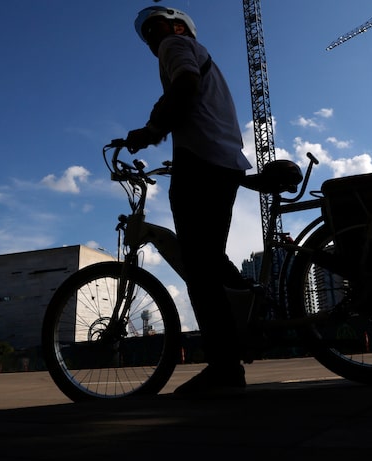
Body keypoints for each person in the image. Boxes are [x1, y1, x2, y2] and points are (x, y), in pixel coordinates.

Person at [125, 6, 253, 397]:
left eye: (155, 27)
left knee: (198, 266)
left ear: (179, 27)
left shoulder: (176, 45)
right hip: (221, 160)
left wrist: (150, 130)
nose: (151, 36)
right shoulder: (192, 51)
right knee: (211, 258)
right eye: (146, 33)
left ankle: (225, 368)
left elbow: (184, 86)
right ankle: (251, 313)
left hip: (204, 164)